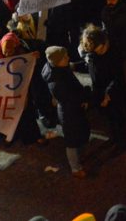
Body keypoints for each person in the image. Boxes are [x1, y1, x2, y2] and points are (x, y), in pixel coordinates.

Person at [43, 45, 89, 179]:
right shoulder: (58, 81)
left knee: (78, 133)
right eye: (65, 57)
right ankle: (75, 168)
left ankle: (79, 157)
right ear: (57, 61)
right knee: (72, 140)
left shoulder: (57, 69)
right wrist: (85, 95)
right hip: (69, 112)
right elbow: (71, 97)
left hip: (71, 109)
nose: (68, 58)